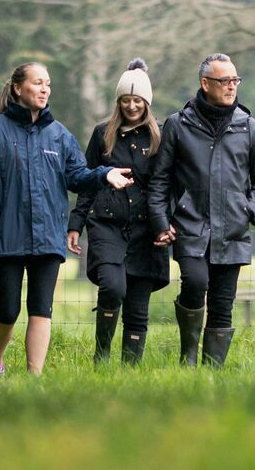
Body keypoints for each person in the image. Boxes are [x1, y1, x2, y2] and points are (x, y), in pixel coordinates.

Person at [0, 58, 130, 375]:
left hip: (47, 237)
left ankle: (35, 376)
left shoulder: (58, 135)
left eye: (47, 84)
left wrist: (104, 174)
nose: (44, 89)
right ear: (18, 88)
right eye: (38, 82)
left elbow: (77, 176)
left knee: (41, 309)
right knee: (7, 309)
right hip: (4, 235)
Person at [151, 51, 255, 368]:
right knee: (194, 282)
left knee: (222, 303)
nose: (232, 86)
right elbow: (160, 179)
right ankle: (188, 357)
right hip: (189, 225)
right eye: (225, 80)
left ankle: (212, 371)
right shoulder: (178, 125)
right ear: (206, 83)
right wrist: (162, 220)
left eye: (235, 79)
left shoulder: (248, 126)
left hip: (232, 228)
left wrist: (248, 209)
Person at [69, 59, 171, 363]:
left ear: (147, 102)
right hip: (107, 224)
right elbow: (87, 181)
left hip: (146, 228)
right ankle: (101, 357)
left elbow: (167, 184)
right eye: (125, 100)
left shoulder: (161, 137)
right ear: (118, 101)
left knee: (138, 306)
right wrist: (75, 224)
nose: (131, 106)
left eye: (137, 100)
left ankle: (130, 369)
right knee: (112, 287)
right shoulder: (103, 134)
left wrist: (167, 223)